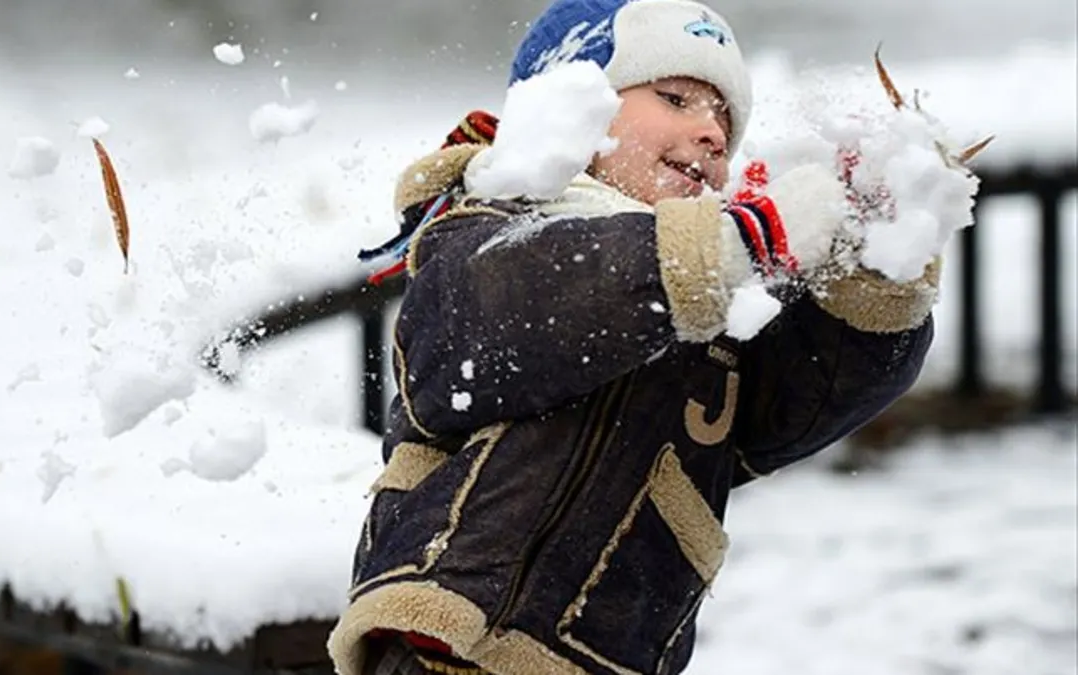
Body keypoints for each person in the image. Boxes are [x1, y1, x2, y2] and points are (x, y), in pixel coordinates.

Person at [329, 1, 945, 673]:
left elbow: (809, 393)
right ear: (570, 108)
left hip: (607, 655)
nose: (711, 133)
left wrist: (881, 268)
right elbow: (554, 298)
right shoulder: (481, 233)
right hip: (446, 645)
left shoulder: (706, 305)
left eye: (725, 122)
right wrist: (742, 243)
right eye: (676, 97)